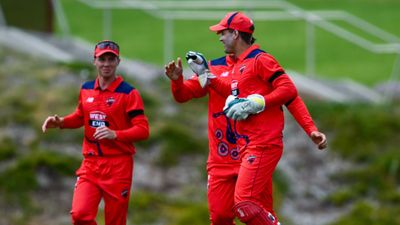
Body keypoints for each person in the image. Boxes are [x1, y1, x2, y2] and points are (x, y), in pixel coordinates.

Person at [164, 12, 327, 225]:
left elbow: (289, 93)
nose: (220, 37)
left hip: (254, 149)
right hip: (224, 156)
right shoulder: (216, 67)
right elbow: (189, 95)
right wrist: (181, 80)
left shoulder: (259, 60)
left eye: (223, 32)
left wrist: (308, 127)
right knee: (222, 217)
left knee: (248, 207)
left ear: (236, 33)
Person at [42, 40, 150, 225]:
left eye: (111, 59)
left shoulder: (129, 93)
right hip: (91, 164)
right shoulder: (86, 89)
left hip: (118, 165)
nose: (106, 64)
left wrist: (115, 134)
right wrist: (60, 122)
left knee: (115, 221)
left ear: (118, 61)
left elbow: (143, 130)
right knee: (80, 215)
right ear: (95, 61)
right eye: (102, 59)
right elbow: (80, 117)